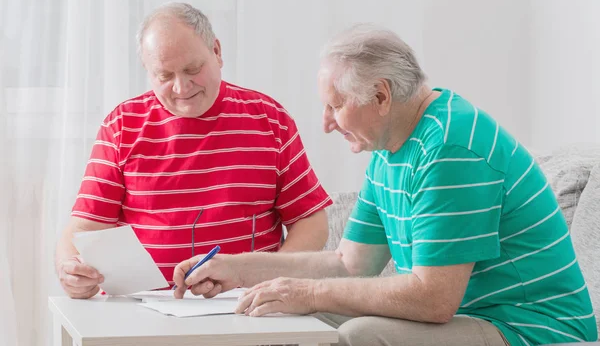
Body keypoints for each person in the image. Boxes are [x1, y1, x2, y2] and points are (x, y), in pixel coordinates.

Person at [172, 25, 598, 346]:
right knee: (285, 314)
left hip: (530, 329)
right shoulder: (391, 146)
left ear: (380, 95)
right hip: (473, 316)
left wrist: (307, 292)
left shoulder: (451, 148)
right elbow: (348, 264)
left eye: (335, 106)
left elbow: (433, 298)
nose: (325, 123)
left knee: (361, 334)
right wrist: (237, 269)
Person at [55, 2, 332, 299]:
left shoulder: (270, 120)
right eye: (165, 76)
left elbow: (311, 223)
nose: (181, 87)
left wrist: (269, 278)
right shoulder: (121, 126)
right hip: (144, 307)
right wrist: (70, 270)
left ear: (217, 52)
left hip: (248, 304)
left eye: (192, 69)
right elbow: (82, 231)